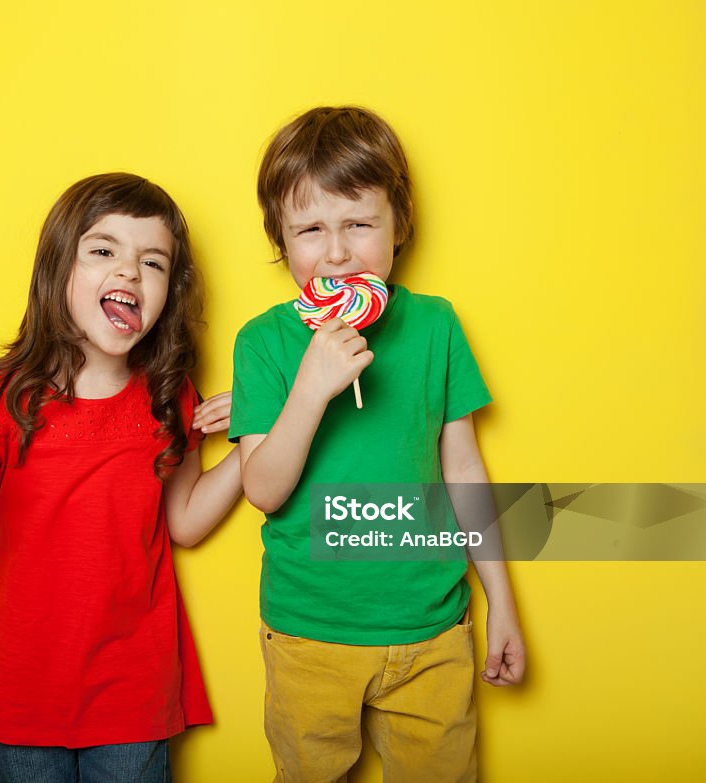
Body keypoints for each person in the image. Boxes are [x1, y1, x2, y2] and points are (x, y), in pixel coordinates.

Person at [229, 106, 526, 783]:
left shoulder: (436, 326)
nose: (336, 252)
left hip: (432, 627)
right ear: (281, 240)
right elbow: (263, 488)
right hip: (309, 630)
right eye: (310, 230)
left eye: (359, 224)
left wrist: (502, 602)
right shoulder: (264, 342)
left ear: (399, 224)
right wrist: (311, 388)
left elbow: (465, 470)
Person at [0, 172, 241, 783]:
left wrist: (254, 446)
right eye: (103, 250)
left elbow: (187, 523)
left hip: (134, 686)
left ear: (171, 290)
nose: (129, 272)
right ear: (57, 268)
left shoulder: (170, 396)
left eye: (153, 262)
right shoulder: (2, 396)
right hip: (23, 684)